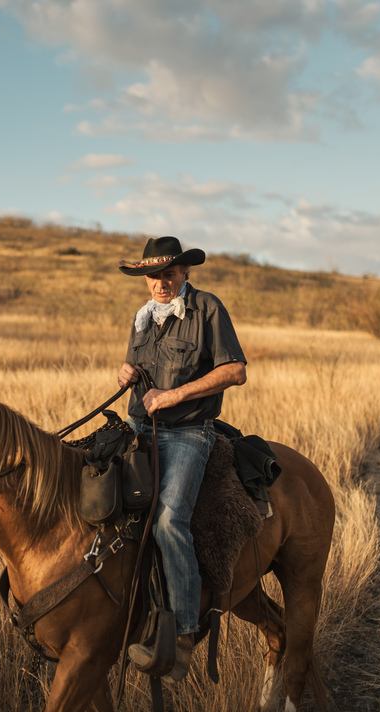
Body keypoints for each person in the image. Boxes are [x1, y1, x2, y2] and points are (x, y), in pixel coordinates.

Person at [116, 235, 247, 682]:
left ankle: (185, 634)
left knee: (169, 520)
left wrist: (175, 395)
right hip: (139, 429)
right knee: (103, 505)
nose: (160, 283)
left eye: (168, 274)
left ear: (184, 273)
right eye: (153, 276)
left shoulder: (207, 308)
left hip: (188, 432)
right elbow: (135, 371)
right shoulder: (142, 319)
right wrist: (125, 372)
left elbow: (235, 371)